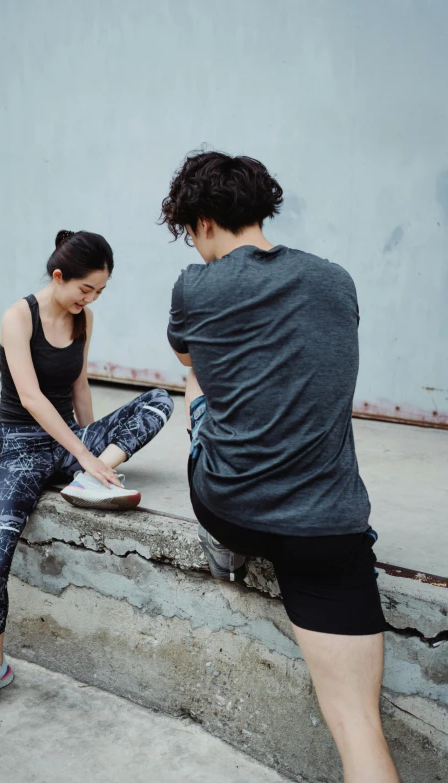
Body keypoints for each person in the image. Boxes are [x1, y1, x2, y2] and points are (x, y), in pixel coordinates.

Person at [160, 151, 400, 783]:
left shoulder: (194, 285)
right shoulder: (336, 279)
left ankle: (227, 548)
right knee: (358, 726)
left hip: (232, 509)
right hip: (328, 529)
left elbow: (189, 355)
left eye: (190, 231)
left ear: (204, 221)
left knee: (197, 389)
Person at [0, 230, 174, 716]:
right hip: (21, 445)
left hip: (67, 441)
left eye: (99, 291)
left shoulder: (84, 318)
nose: (91, 299)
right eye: (85, 289)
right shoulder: (18, 317)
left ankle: (87, 481)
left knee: (159, 400)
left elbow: (78, 384)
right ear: (59, 276)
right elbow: (32, 399)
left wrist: (94, 449)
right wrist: (84, 450)